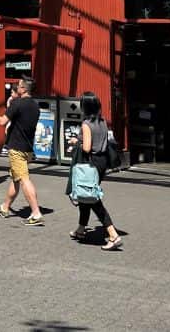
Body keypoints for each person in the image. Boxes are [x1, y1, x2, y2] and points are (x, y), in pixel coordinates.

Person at [67, 92, 123, 251]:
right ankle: (81, 229)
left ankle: (113, 234)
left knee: (92, 198)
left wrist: (76, 141)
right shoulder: (103, 121)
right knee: (86, 195)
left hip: (89, 163)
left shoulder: (86, 124)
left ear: (85, 107)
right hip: (102, 161)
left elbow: (86, 147)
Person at [0, 76, 44, 226]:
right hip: (27, 148)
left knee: (23, 179)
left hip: (16, 148)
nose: (17, 88)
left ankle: (35, 212)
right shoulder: (35, 106)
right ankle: (5, 207)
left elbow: (2, 122)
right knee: (15, 178)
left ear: (24, 89)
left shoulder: (17, 104)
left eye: (19, 86)